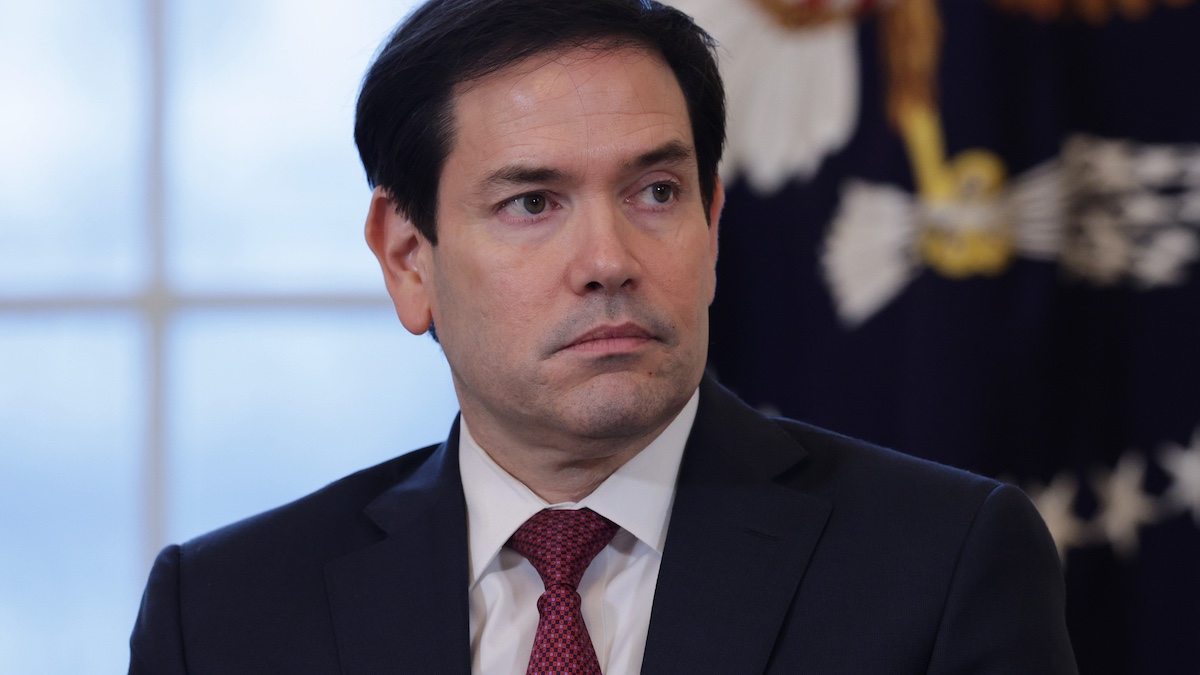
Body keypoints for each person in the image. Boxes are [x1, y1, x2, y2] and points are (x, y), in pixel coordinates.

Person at [128, 0, 1078, 672]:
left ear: (712, 223)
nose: (608, 258)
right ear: (410, 257)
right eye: (533, 202)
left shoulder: (942, 564)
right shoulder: (222, 614)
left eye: (655, 193)